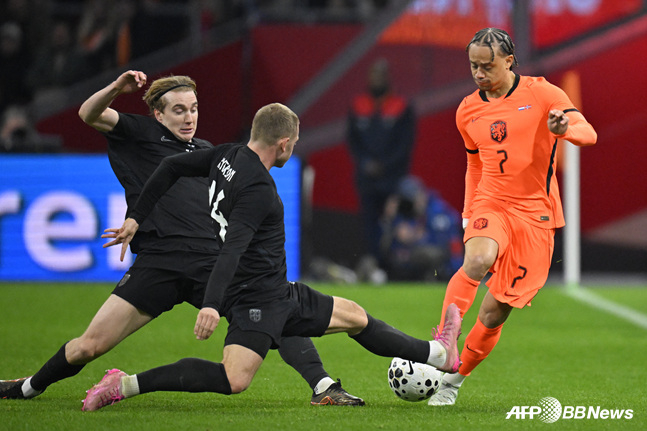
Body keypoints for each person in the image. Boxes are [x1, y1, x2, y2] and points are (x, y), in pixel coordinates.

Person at [0, 71, 363, 407]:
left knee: (273, 305)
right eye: (178, 110)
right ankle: (28, 387)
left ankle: (323, 386)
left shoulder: (208, 150)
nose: (189, 118)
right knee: (89, 346)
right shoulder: (140, 132)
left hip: (207, 260)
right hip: (159, 262)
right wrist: (116, 88)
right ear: (158, 115)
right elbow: (88, 114)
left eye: (194, 109)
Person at [80, 102, 462, 411]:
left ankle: (440, 354)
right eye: (293, 143)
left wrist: (136, 216)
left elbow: (169, 166)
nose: (292, 149)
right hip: (256, 299)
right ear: (282, 144)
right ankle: (123, 385)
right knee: (234, 378)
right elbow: (233, 248)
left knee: (356, 316)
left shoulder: (227, 155)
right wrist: (211, 304)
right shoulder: (259, 189)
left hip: (277, 291)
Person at [426, 28, 597, 406]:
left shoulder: (542, 93)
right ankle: (443, 342)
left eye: (487, 66)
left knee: (493, 313)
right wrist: (469, 212)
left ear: (509, 61)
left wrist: (565, 128)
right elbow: (474, 165)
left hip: (535, 215)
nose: (479, 73)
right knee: (478, 259)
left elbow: (589, 134)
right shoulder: (467, 109)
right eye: (473, 66)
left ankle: (454, 380)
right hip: (491, 203)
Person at [347, 58, 416, 269]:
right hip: (366, 178)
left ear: (388, 78)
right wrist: (366, 163)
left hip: (393, 178)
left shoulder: (401, 106)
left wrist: (384, 165)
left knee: (394, 220)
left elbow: (405, 144)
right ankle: (373, 264)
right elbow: (352, 141)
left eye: (380, 75)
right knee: (368, 222)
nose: (376, 79)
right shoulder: (358, 106)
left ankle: (395, 266)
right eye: (373, 75)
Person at [379, 176, 463, 282]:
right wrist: (389, 219)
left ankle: (432, 278)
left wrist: (415, 236)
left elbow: (443, 245)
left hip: (444, 262)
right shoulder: (406, 212)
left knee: (427, 255)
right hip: (408, 257)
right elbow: (387, 244)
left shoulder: (437, 209)